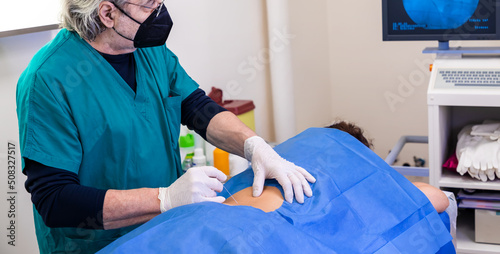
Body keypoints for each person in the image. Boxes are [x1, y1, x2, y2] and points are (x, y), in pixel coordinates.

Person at [16, 0, 315, 254]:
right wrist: (164, 198)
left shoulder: (149, 50)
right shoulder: (48, 80)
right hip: (101, 246)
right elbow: (55, 199)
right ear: (107, 13)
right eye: (149, 3)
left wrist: (254, 146)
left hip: (167, 234)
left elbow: (197, 107)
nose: (160, 10)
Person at [97, 125, 455, 254]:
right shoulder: (349, 177)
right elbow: (437, 198)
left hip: (190, 226)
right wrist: (388, 180)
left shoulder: (278, 163)